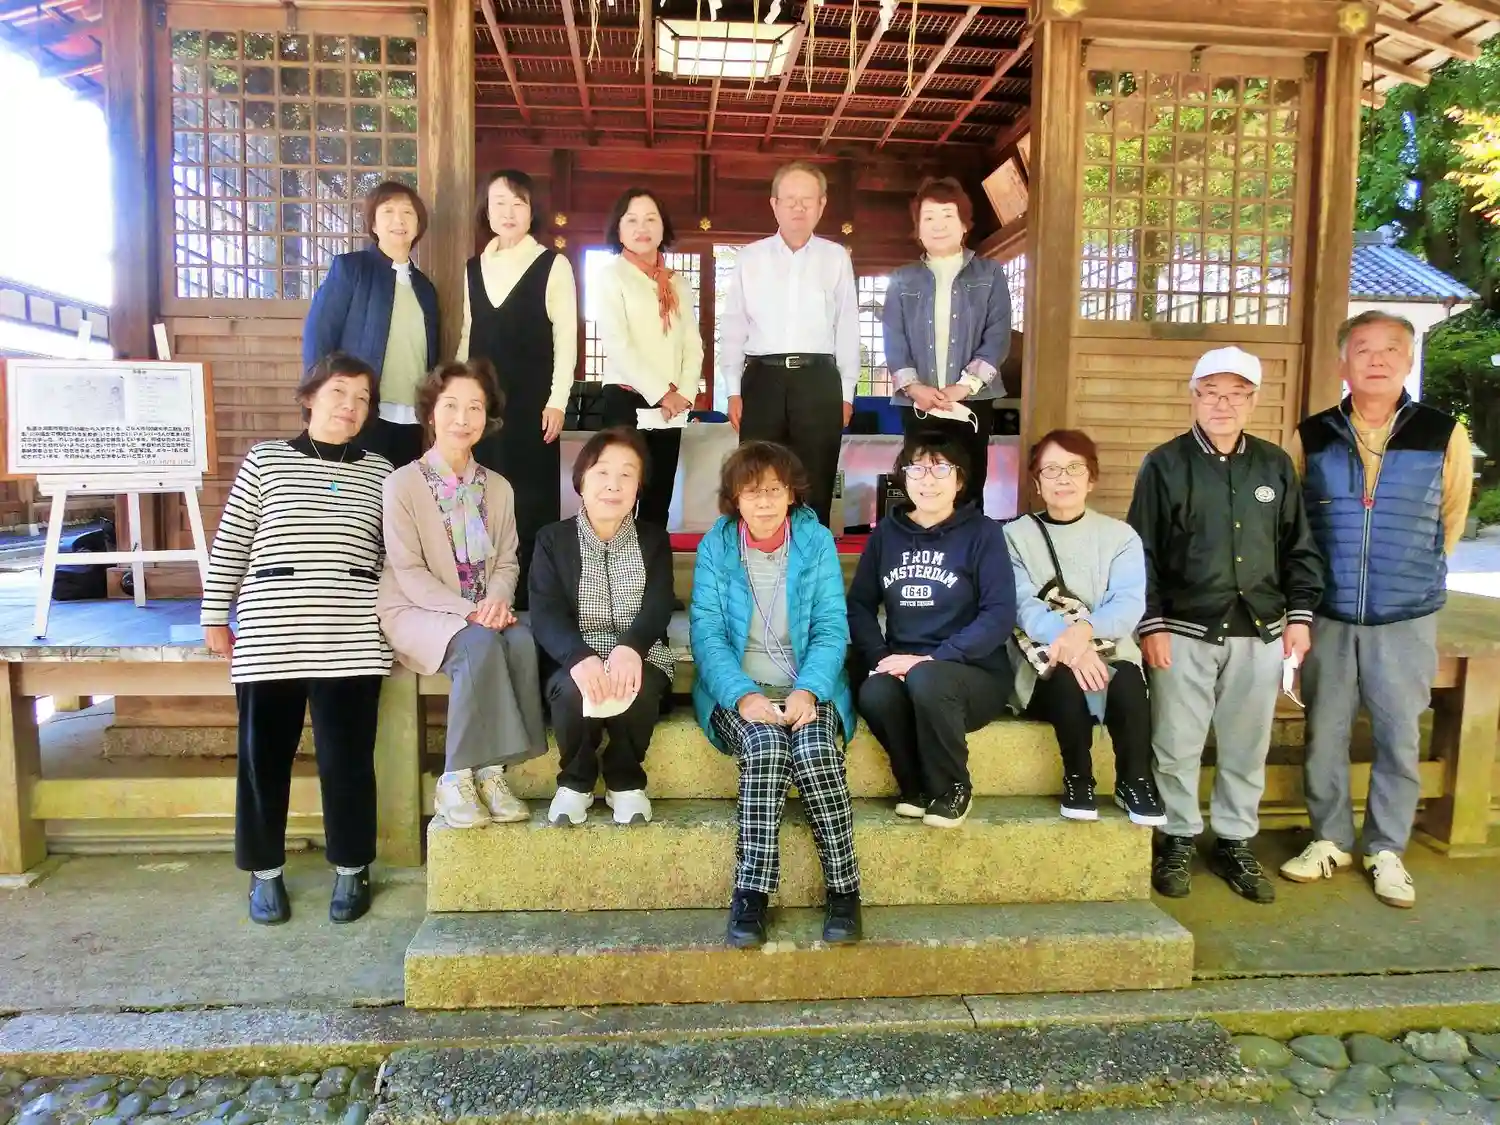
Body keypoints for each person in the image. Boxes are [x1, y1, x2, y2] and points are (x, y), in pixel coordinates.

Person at [1279, 312, 1473, 908]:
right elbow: (1292, 523)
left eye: (1392, 348)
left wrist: (1408, 575)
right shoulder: (1312, 435)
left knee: (1398, 734)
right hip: (1330, 610)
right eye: (1363, 349)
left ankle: (1386, 848)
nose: (1378, 359)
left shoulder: (1441, 433)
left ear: (1409, 360)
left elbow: (1450, 517)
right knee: (1325, 731)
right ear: (1343, 362)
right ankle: (1330, 838)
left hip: (1406, 613)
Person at [200, 352, 393, 926]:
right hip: (270, 632)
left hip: (351, 632)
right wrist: (215, 615)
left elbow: (394, 556)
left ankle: (352, 867)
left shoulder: (382, 472)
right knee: (263, 758)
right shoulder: (266, 461)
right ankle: (264, 872)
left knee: (348, 760)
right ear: (310, 398)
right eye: (339, 393)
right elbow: (233, 541)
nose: (350, 407)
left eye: (361, 398)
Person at [1127, 345, 1323, 905]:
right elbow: (1141, 551)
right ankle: (1177, 837)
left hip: (1259, 629)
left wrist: (1300, 616)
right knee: (1176, 741)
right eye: (1212, 392)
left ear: (1253, 402)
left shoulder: (1274, 465)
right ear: (1193, 396)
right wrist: (1152, 624)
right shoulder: (1164, 464)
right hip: (1183, 628)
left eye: (1237, 394)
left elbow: (1297, 546)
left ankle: (1235, 840)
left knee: (1246, 743)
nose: (1223, 404)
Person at [689, 441, 861, 948]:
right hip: (739, 689)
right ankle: (751, 894)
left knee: (814, 750)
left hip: (808, 684)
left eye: (773, 490)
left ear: (791, 494)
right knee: (765, 746)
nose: (763, 502)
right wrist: (743, 696)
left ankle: (845, 889)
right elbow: (707, 634)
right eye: (751, 492)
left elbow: (831, 627)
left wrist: (809, 690)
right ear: (734, 499)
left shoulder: (815, 541)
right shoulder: (717, 546)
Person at [377, 359, 545, 829]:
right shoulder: (402, 483)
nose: (462, 418)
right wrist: (471, 612)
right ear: (431, 413)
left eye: (475, 407)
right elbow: (408, 571)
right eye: (451, 405)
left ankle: (491, 772)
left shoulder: (499, 488)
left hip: (482, 611)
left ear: (486, 417)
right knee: (479, 646)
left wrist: (496, 602)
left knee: (522, 640)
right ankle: (455, 777)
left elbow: (507, 561)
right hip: (416, 608)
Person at [848, 432, 1015, 828]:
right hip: (904, 667)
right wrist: (882, 658)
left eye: (940, 469)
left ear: (960, 479)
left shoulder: (984, 534)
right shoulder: (886, 535)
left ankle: (954, 787)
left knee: (927, 678)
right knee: (875, 691)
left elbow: (999, 614)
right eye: (917, 469)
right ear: (903, 477)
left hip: (971, 673)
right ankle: (916, 788)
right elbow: (859, 605)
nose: (928, 479)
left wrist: (933, 658)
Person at [1005, 429, 1165, 827]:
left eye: (1074, 468)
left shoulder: (1120, 537)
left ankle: (1135, 782)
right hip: (1042, 657)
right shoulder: (1013, 536)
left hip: (1108, 649)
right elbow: (1021, 604)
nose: (1063, 478)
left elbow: (1127, 603)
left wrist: (1083, 633)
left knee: (1127, 680)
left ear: (1091, 478)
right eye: (1051, 469)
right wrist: (1071, 646)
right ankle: (1078, 779)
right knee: (1064, 679)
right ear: (1037, 482)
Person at [529, 428, 676, 826]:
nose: (614, 484)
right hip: (573, 656)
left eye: (627, 474)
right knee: (573, 691)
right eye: (602, 472)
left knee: (638, 686)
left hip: (641, 652)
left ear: (639, 487)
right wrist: (579, 656)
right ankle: (575, 782)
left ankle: (625, 780)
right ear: (581, 481)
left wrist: (631, 648)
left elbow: (659, 604)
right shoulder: (552, 540)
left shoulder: (653, 540)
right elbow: (545, 612)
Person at [458, 169, 579, 604]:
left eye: (518, 203)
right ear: (486, 211)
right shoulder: (473, 269)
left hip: (533, 406)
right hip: (482, 408)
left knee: (530, 500)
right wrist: (456, 403)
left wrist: (558, 401)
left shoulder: (552, 264)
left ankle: (533, 596)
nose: (508, 212)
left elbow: (566, 338)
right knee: (479, 496)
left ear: (532, 211)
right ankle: (481, 592)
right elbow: (466, 338)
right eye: (499, 203)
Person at [719, 161, 858, 528]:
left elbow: (847, 327)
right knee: (756, 479)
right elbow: (733, 326)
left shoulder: (836, 257)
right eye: (790, 199)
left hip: (819, 380)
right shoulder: (750, 258)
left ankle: (810, 560)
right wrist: (732, 390)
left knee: (815, 482)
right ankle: (755, 557)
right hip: (762, 379)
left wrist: (847, 393)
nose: (799, 207)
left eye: (807, 200)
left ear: (822, 205)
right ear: (774, 204)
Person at [881, 177, 1012, 510]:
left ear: (964, 224)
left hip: (972, 400)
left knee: (968, 483)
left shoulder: (989, 274)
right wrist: (914, 388)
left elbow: (997, 335)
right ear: (918, 228)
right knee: (921, 484)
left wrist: (963, 387)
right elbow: (893, 338)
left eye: (947, 216)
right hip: (918, 403)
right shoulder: (902, 279)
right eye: (928, 217)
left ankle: (969, 545)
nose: (938, 225)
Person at [302, 181, 439, 468]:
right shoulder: (352, 269)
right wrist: (319, 400)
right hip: (360, 412)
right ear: (374, 224)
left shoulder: (425, 288)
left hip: (411, 418)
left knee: (400, 493)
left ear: (418, 225)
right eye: (388, 211)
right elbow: (319, 334)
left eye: (408, 213)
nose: (399, 220)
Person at [594, 188, 703, 529]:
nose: (642, 228)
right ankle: (615, 564)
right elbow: (618, 345)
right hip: (626, 400)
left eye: (651, 219)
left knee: (658, 502)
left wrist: (684, 393)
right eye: (632, 220)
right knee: (619, 499)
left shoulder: (678, 283)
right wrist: (663, 393)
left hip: (671, 407)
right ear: (618, 229)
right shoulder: (610, 277)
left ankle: (653, 564)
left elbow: (692, 343)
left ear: (663, 227)